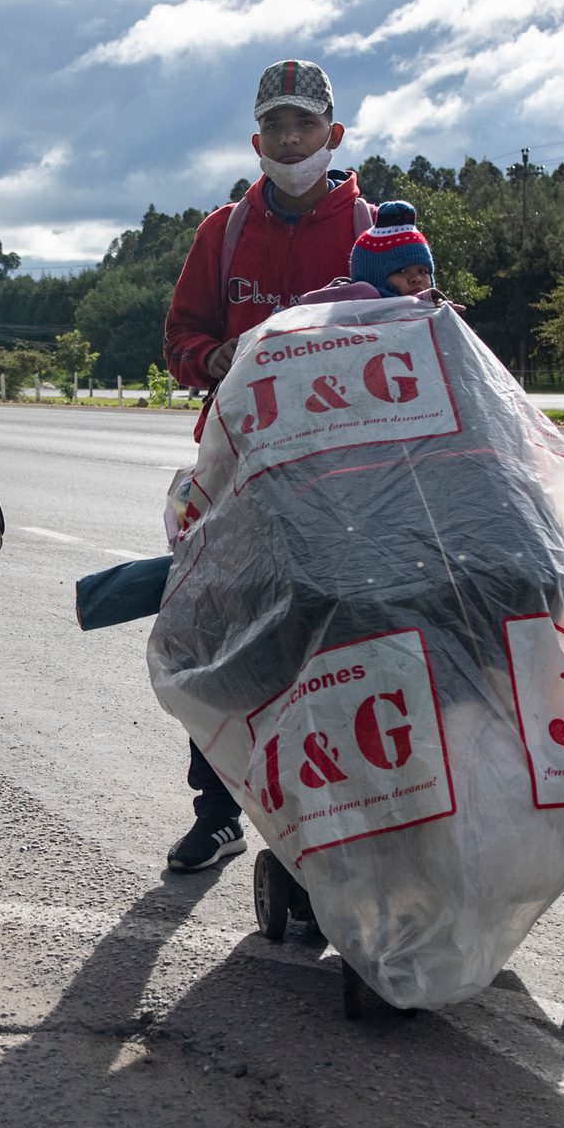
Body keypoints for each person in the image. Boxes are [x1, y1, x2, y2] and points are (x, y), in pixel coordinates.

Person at [158, 59, 373, 873]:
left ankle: (343, 807)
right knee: (215, 631)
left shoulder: (371, 230)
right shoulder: (223, 233)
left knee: (333, 637)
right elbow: (180, 338)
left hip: (345, 475)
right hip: (238, 469)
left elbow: (418, 322)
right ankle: (217, 813)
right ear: (256, 141)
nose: (290, 139)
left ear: (333, 134)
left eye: (304, 124)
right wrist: (211, 358)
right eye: (275, 126)